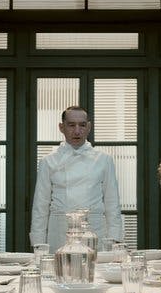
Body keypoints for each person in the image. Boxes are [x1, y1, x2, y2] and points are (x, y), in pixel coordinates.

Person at [30, 106, 124, 252]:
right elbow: (40, 206)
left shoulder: (104, 160)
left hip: (94, 230)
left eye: (82, 125)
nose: (77, 131)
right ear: (61, 127)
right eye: (71, 125)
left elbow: (112, 203)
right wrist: (38, 243)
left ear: (89, 127)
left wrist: (114, 239)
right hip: (60, 231)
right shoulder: (48, 161)